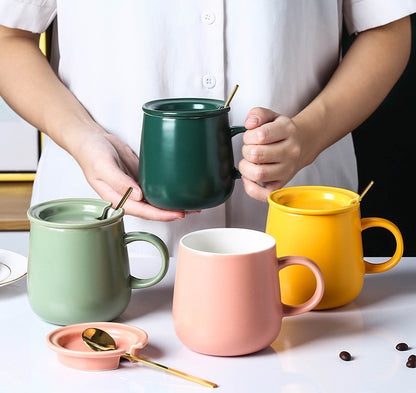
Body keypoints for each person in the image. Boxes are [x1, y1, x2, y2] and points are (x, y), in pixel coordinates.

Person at [0, 1, 414, 256]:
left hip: (296, 230)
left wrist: (310, 135)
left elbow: (387, 26)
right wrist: (82, 138)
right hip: (107, 237)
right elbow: (9, 37)